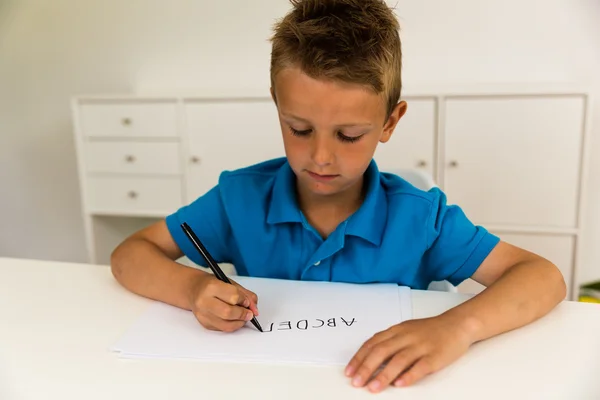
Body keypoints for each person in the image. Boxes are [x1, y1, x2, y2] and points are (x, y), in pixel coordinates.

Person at [111, 0, 566, 392]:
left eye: (348, 135)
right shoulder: (238, 198)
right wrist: (192, 288)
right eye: (300, 129)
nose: (321, 157)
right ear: (277, 105)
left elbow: (541, 276)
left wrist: (456, 328)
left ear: (389, 122)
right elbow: (131, 253)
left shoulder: (422, 219)